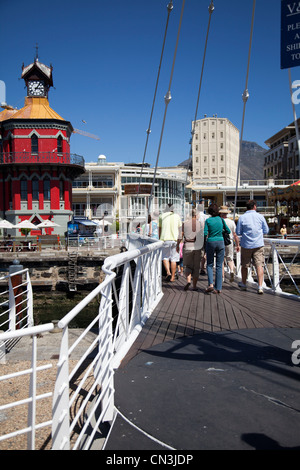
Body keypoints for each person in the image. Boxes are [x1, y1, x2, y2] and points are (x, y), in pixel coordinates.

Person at [236, 199, 269, 294]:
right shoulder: (260, 217)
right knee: (259, 265)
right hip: (258, 244)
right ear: (255, 206)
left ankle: (243, 283)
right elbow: (266, 230)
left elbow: (238, 232)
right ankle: (260, 286)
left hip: (246, 245)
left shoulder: (242, 218)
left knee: (245, 265)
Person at [204, 203, 230, 294]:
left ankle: (210, 284)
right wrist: (221, 231)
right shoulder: (221, 220)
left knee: (209, 264)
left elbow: (204, 233)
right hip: (220, 242)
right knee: (219, 265)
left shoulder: (208, 220)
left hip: (210, 242)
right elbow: (228, 231)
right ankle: (218, 288)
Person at [177, 208, 205, 291]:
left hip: (188, 245)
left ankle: (188, 281)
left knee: (188, 266)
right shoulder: (200, 224)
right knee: (196, 267)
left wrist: (177, 245)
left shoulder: (185, 224)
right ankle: (194, 286)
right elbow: (202, 236)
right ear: (196, 215)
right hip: (197, 246)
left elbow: (180, 236)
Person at [159, 203, 182, 282]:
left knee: (165, 257)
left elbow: (160, 229)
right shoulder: (177, 216)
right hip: (174, 240)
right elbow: (180, 230)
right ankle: (172, 277)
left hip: (164, 239)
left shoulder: (161, 216)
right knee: (173, 259)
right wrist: (179, 242)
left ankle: (168, 272)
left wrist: (159, 239)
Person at [219, 205, 240, 282]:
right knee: (229, 258)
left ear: (220, 213)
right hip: (229, 241)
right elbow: (235, 235)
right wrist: (237, 245)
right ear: (227, 214)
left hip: (220, 241)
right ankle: (231, 270)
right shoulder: (231, 222)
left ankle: (222, 277)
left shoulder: (219, 221)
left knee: (221, 260)